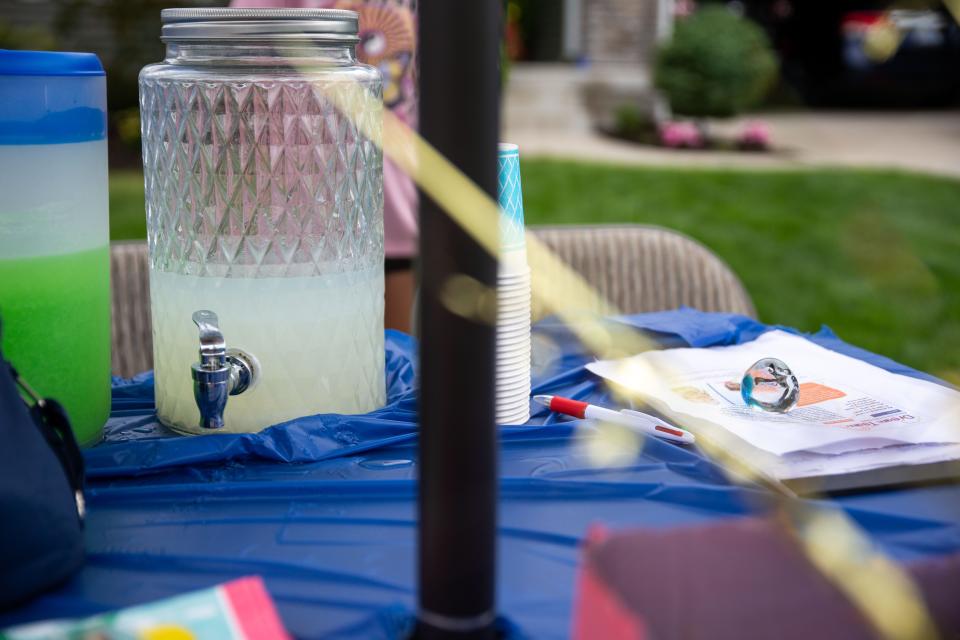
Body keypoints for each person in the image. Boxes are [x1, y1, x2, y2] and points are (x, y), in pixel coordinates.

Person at [232, 0, 419, 333]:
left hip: (396, 184)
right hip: (306, 188)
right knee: (312, 334)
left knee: (394, 353)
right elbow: (244, 45)